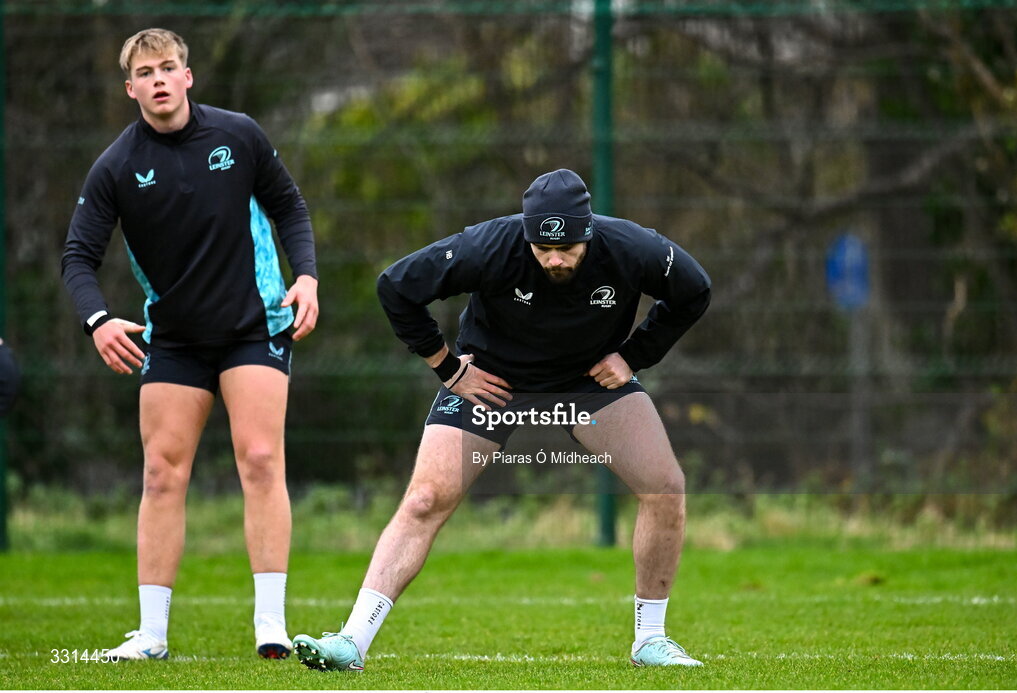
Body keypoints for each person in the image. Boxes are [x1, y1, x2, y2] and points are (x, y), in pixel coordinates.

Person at [293, 168, 710, 671]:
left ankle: (650, 641)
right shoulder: (489, 245)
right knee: (427, 497)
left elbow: (694, 290)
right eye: (542, 248)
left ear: (589, 232)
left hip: (587, 379)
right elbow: (396, 287)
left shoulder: (631, 247)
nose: (554, 259)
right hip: (494, 379)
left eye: (567, 248)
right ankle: (351, 642)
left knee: (666, 485)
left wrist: (636, 355)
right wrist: (447, 368)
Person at [61, 28, 318, 661]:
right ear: (131, 89)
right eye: (145, 72)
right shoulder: (117, 165)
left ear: (187, 76)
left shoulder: (239, 135)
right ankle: (151, 635)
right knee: (160, 472)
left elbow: (290, 207)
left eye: (168, 67)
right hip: (174, 338)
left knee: (260, 459)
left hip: (254, 325)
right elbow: (77, 257)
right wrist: (98, 321)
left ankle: (270, 625)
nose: (158, 79)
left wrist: (306, 275)